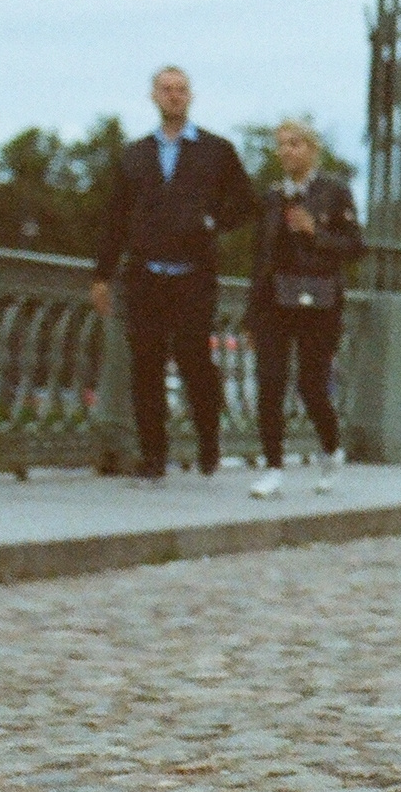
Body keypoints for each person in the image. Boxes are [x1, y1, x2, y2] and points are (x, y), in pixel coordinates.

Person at [91, 67, 258, 480]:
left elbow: (246, 202)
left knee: (194, 361)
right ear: (153, 96)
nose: (174, 96)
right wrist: (102, 275)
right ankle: (153, 454)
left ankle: (208, 439)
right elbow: (114, 218)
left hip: (192, 276)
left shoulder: (215, 150)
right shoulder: (136, 154)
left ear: (191, 96)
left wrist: (211, 221)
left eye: (181, 89)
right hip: (145, 275)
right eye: (166, 89)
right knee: (146, 366)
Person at [245, 119, 364, 498]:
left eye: (295, 144)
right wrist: (251, 313)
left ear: (312, 149)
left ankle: (331, 448)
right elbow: (260, 256)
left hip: (319, 302)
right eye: (281, 145)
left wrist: (316, 232)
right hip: (275, 300)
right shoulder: (273, 196)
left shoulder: (334, 192)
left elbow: (355, 246)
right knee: (269, 382)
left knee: (311, 385)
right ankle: (273, 468)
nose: (287, 151)